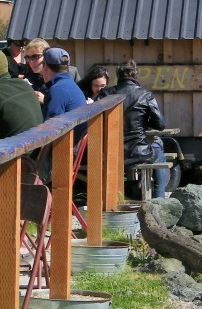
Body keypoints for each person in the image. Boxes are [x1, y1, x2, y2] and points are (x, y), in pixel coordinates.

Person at [98, 60, 169, 199]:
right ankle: (160, 199)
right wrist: (145, 121)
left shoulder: (106, 94)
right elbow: (160, 124)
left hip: (111, 152)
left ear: (118, 76)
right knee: (159, 153)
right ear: (135, 75)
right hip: (139, 152)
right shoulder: (145, 95)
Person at [41, 47, 87, 122]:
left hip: (71, 133)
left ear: (45, 66)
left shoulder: (57, 91)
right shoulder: (70, 84)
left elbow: (49, 128)